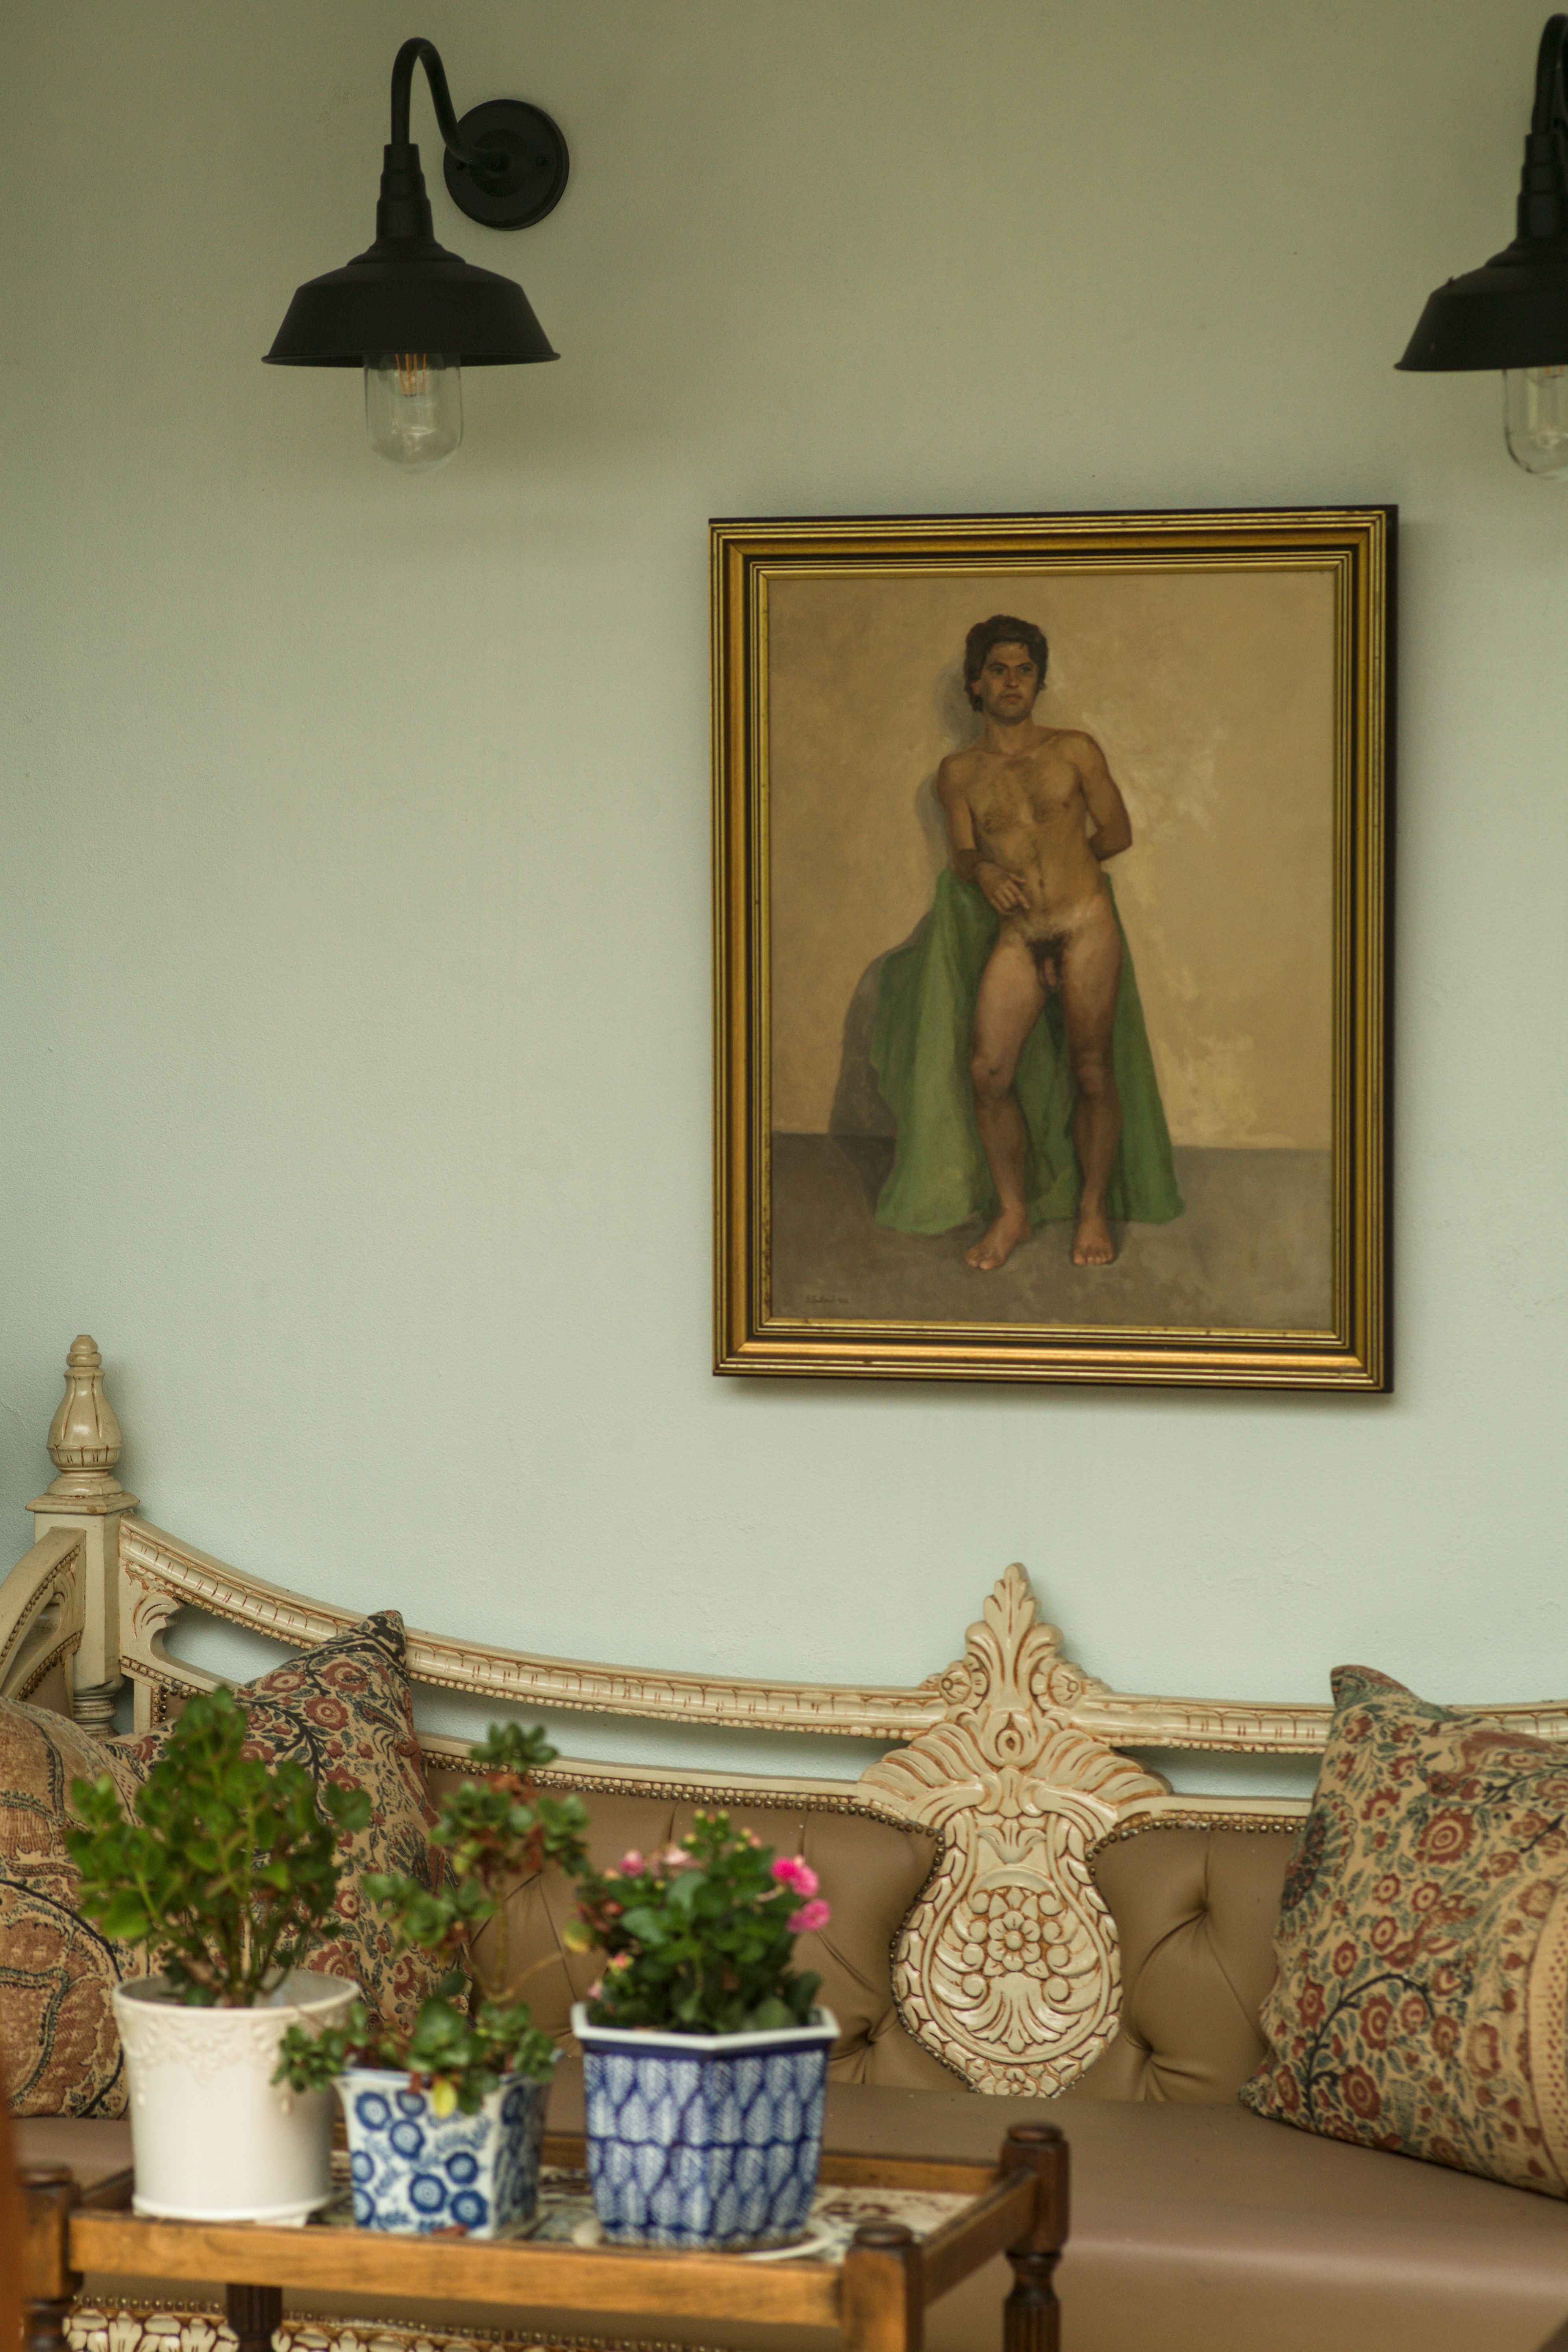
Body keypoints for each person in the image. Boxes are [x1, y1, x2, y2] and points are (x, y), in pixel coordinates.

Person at [871, 615, 1181, 1266]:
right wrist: (982, 868)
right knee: (988, 1072)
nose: (1012, 682)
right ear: (975, 684)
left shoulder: (1075, 750)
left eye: (1025, 670)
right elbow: (961, 854)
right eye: (998, 670)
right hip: (1019, 936)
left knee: (1093, 1071)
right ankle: (1013, 1214)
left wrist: (1070, 877)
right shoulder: (957, 772)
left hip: (1083, 925)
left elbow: (1117, 832)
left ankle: (1092, 1211)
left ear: (1039, 681)